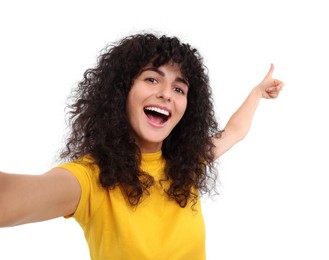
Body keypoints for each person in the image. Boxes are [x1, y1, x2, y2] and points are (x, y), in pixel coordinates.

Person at [0, 33, 284, 259]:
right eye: (152, 79)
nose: (166, 94)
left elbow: (234, 131)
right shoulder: (90, 179)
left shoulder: (185, 163)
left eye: (179, 88)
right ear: (122, 91)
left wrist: (258, 92)